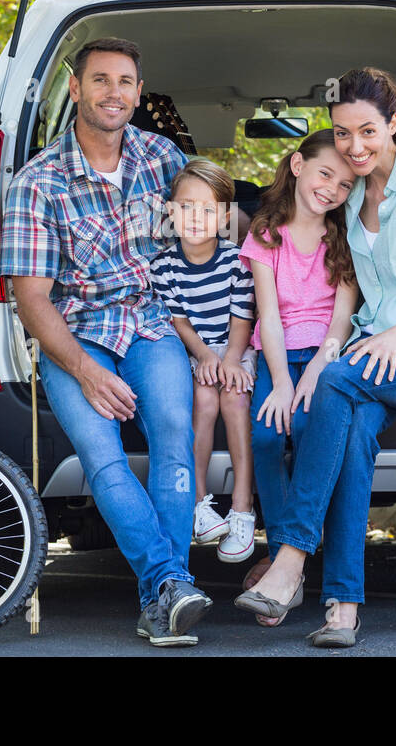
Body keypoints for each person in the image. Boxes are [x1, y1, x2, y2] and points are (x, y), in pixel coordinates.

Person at [236, 67, 396, 647]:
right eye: (342, 132)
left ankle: (289, 558)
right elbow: (349, 291)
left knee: (333, 382)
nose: (354, 146)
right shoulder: (352, 199)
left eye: (367, 132)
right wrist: (347, 341)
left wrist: (392, 338)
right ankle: (344, 606)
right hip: (377, 353)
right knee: (351, 430)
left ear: (394, 123)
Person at [0, 37, 212, 647]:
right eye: (100, 80)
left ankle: (163, 595)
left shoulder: (162, 157)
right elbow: (33, 299)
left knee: (175, 432)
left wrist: (277, 219)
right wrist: (88, 374)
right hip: (76, 333)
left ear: (139, 93)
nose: (113, 93)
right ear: (76, 89)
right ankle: (170, 585)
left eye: (124, 82)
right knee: (103, 455)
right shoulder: (38, 182)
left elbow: (211, 218)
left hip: (151, 322)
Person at [238, 129, 359, 624]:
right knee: (267, 437)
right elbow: (266, 314)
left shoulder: (343, 237)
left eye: (346, 184)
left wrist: (315, 371)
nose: (332, 189)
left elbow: (342, 317)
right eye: (325, 173)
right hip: (276, 353)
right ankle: (283, 557)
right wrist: (282, 380)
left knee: (311, 436)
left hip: (324, 357)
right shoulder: (265, 233)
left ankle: (290, 563)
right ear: (296, 166)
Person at [149, 159, 258, 563]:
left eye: (209, 210)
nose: (197, 218)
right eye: (186, 207)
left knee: (234, 400)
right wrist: (205, 357)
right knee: (204, 402)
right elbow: (178, 321)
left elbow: (243, 317)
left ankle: (243, 509)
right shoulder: (164, 266)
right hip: (196, 350)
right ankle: (199, 507)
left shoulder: (235, 260)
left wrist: (229, 359)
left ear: (226, 217)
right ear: (170, 212)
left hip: (235, 347)